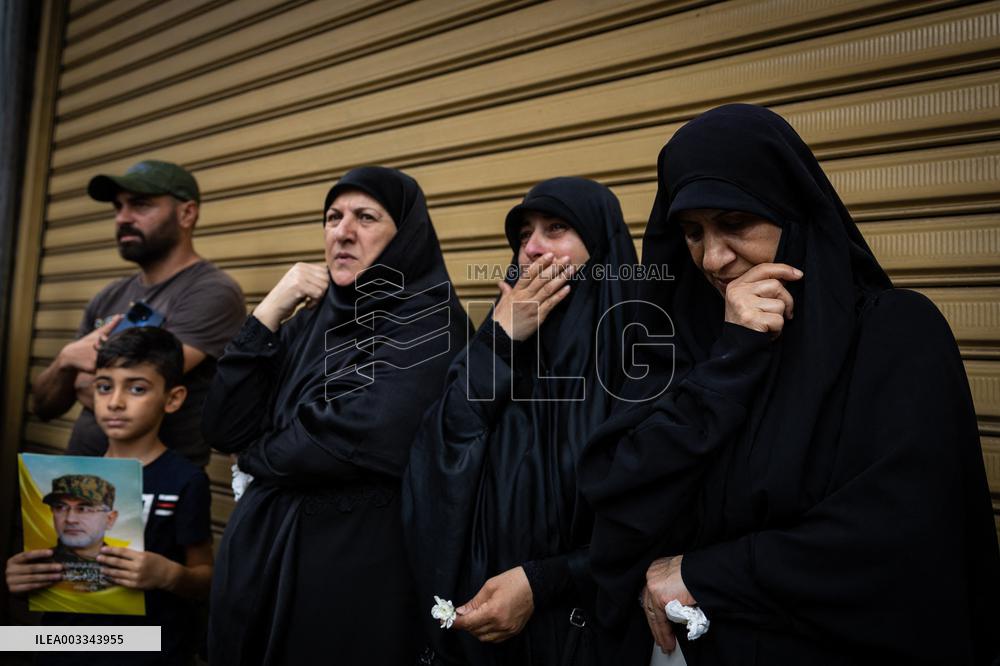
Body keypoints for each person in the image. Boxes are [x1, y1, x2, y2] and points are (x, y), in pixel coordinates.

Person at [577, 104, 1000, 665]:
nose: (713, 258)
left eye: (734, 223)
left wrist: (708, 573)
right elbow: (623, 505)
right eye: (692, 232)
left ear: (792, 214)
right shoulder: (686, 347)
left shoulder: (895, 335)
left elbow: (905, 537)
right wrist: (732, 359)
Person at [203, 166, 471, 666]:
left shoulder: (430, 323)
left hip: (347, 572)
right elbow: (223, 426)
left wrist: (257, 454)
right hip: (260, 561)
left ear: (405, 236)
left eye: (366, 217)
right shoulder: (307, 321)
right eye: (332, 217)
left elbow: (351, 434)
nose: (342, 231)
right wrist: (269, 311)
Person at [403, 177, 641, 665]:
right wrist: (500, 341)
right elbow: (438, 455)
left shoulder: (638, 362)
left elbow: (650, 520)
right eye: (523, 234)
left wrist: (544, 581)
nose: (531, 248)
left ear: (599, 248)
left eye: (556, 228)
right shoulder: (498, 343)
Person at [7, 326, 214, 665]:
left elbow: (204, 577)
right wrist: (21, 579)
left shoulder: (185, 480)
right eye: (104, 387)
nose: (115, 402)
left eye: (136, 388)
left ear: (173, 398)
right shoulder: (62, 479)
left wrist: (169, 575)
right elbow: (43, 574)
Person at [31, 159, 246, 467]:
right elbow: (43, 406)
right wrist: (66, 359)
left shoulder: (211, 291)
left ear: (187, 213)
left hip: (149, 490)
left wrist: (86, 380)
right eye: (118, 207)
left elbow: (138, 388)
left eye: (140, 205)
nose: (123, 218)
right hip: (79, 477)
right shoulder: (109, 295)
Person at [41, 475, 119, 591]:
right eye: (60, 507)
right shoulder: (38, 568)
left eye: (84, 509)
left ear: (109, 519)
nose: (70, 519)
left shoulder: (126, 569)